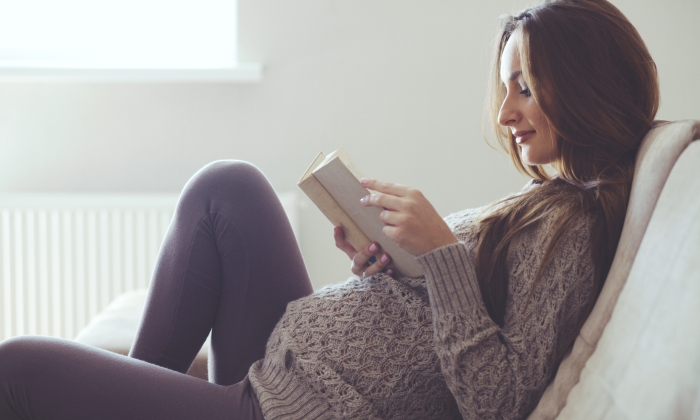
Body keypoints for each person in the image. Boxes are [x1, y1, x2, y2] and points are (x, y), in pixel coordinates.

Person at [0, 0, 659, 419]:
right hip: (296, 371)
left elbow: (499, 401)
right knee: (227, 190)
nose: (505, 112)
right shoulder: (550, 203)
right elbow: (460, 314)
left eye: (525, 87)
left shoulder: (575, 232)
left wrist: (442, 256)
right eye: (505, 87)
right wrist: (397, 267)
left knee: (18, 367)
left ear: (581, 83)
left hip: (299, 410)